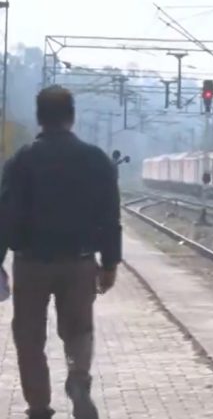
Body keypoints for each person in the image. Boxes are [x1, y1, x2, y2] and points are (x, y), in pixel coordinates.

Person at [0, 86, 122, 419]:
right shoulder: (96, 160)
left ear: (40, 118)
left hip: (31, 263)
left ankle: (39, 406)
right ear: (72, 116)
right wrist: (109, 263)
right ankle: (79, 380)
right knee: (79, 329)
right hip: (79, 262)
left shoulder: (21, 160)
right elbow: (110, 217)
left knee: (29, 337)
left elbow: (5, 215)